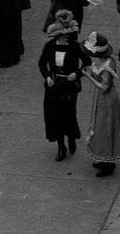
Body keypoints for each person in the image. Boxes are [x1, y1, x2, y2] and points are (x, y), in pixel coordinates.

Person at [38, 14, 85, 162]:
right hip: (54, 86)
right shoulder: (50, 46)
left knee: (69, 114)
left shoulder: (75, 46)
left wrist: (76, 74)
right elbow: (42, 63)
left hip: (69, 86)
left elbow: (87, 63)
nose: (68, 37)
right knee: (54, 115)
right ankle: (61, 147)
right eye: (64, 35)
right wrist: (47, 76)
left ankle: (71, 137)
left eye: (69, 35)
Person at [81, 32, 120, 177]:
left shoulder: (107, 64)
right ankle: (102, 157)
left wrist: (88, 76)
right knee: (99, 128)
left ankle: (108, 163)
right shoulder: (101, 60)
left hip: (107, 100)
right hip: (100, 99)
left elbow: (105, 87)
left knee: (105, 128)